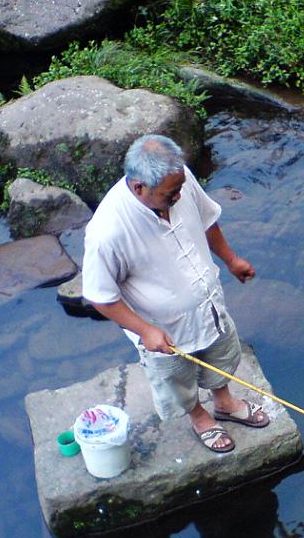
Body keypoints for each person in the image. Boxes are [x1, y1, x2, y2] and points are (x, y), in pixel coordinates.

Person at [82, 133, 269, 454]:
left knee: (220, 353)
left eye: (180, 187)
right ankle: (200, 417)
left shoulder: (177, 180)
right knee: (178, 380)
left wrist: (231, 260)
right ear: (140, 187)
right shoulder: (107, 232)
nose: (180, 196)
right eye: (171, 193)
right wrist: (144, 330)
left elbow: (208, 219)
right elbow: (100, 296)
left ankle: (224, 403)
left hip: (207, 302)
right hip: (164, 330)